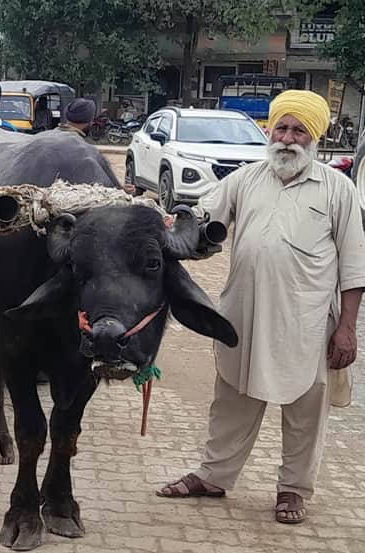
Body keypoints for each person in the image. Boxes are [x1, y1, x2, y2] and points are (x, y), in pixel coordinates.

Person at [156, 90, 365, 525]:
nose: (288, 138)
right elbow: (204, 220)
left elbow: (354, 265)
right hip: (243, 314)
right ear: (270, 131)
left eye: (299, 131)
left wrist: (347, 328)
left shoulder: (338, 189)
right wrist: (171, 227)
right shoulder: (246, 178)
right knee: (231, 397)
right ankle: (213, 475)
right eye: (282, 128)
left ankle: (293, 490)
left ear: (315, 138)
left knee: (307, 409)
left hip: (306, 322)